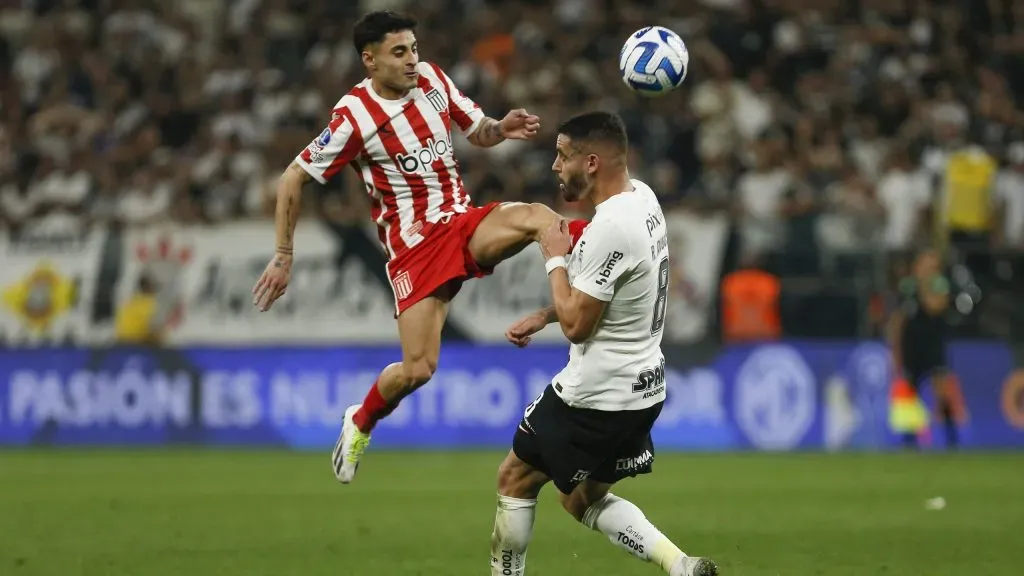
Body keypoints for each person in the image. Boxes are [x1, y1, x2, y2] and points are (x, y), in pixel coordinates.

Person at [250, 10, 586, 483]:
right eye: (399, 52)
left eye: (413, 48)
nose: (412, 59)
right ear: (370, 60)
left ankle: (603, 246)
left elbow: (478, 130)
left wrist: (501, 127)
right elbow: (292, 177)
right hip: (414, 250)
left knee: (537, 217)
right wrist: (284, 255)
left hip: (461, 224)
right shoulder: (353, 117)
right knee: (418, 369)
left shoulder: (431, 78)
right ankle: (360, 420)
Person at [489, 111, 718, 576]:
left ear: (591, 162)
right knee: (580, 498)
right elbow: (610, 294)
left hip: (596, 395)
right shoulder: (644, 199)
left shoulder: (611, 227)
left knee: (514, 479)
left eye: (563, 155)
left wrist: (554, 260)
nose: (555, 166)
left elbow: (578, 326)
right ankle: (681, 566)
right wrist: (544, 314)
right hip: (644, 390)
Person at [888, 249, 961, 449]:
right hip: (911, 343)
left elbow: (936, 306)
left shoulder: (939, 284)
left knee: (941, 388)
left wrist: (924, 286)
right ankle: (909, 436)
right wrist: (895, 347)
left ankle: (951, 433)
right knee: (909, 389)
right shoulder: (906, 286)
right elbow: (899, 318)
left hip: (932, 340)